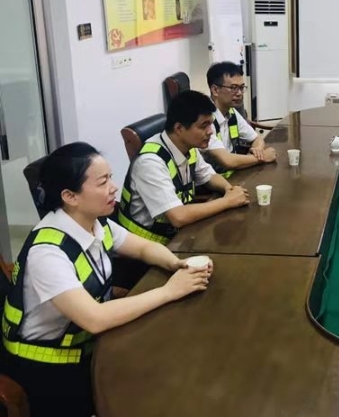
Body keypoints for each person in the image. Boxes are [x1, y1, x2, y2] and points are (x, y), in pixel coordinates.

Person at [1, 142, 212, 416]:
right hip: (47, 365)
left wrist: (176, 263)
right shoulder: (48, 253)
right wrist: (169, 291)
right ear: (70, 196)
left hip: (85, 344)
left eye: (110, 178)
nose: (113, 188)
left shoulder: (94, 222)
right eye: (102, 182)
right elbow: (95, 319)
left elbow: (143, 248)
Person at [118, 90, 249, 247]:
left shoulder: (187, 145)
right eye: (204, 125)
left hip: (178, 236)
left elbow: (208, 175)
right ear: (179, 128)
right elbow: (178, 217)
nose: (210, 131)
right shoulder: (150, 163)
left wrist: (229, 189)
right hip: (145, 247)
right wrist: (227, 202)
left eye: (211, 123)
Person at [204, 61, 276, 176]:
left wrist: (257, 149)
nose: (239, 93)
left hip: (234, 175)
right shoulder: (205, 120)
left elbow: (257, 138)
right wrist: (263, 157)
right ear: (215, 90)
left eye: (241, 88)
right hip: (213, 182)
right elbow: (227, 161)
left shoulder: (231, 112)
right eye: (233, 88)